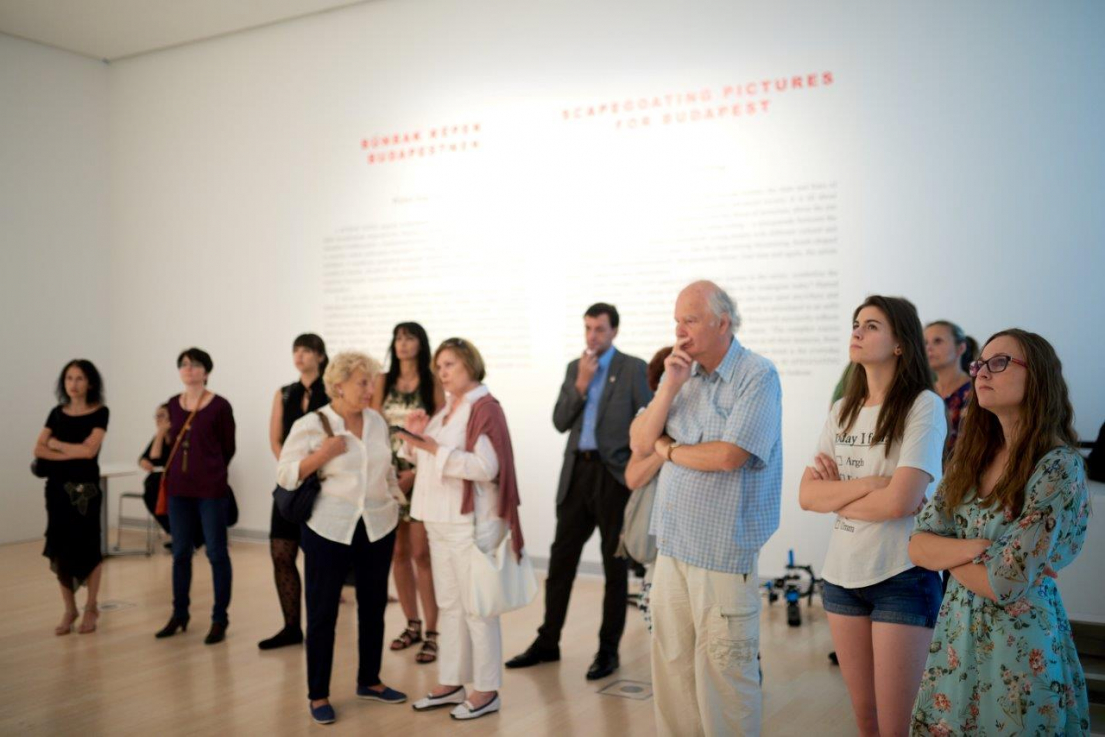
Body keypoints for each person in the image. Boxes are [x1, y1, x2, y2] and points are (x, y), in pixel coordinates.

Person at [909, 330, 1090, 734]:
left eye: (1000, 362)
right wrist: (979, 548)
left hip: (1020, 648)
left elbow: (1003, 583)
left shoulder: (1058, 466)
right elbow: (917, 546)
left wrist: (949, 552)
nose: (982, 373)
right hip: (957, 637)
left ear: (1037, 376)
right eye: (980, 365)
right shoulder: (970, 459)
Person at [630, 281, 783, 737]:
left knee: (726, 681)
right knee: (672, 671)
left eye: (691, 321)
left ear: (723, 322)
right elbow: (641, 443)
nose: (680, 331)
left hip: (722, 553)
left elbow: (729, 455)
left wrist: (671, 450)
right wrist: (669, 386)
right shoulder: (683, 375)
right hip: (673, 548)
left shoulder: (757, 374)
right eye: (677, 321)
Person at [798, 296, 945, 737]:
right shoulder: (842, 408)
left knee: (897, 726)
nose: (857, 332)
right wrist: (871, 484)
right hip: (841, 577)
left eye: (872, 325)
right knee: (866, 719)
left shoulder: (923, 405)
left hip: (902, 576)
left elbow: (900, 503)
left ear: (900, 343)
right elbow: (807, 495)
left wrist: (837, 497)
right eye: (856, 323)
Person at [506, 303, 652, 680]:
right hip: (577, 474)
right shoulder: (576, 368)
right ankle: (547, 641)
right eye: (588, 328)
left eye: (599, 329)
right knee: (561, 562)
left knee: (614, 567)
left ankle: (608, 650)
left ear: (614, 331)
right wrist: (581, 385)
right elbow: (560, 421)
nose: (592, 336)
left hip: (613, 477)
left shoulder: (633, 368)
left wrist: (634, 470)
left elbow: (649, 424)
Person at [276, 351, 407, 725]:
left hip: (377, 525)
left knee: (373, 606)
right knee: (322, 613)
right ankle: (318, 694)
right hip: (329, 527)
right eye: (362, 383)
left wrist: (395, 497)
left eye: (371, 382)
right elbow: (285, 474)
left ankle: (370, 681)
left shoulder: (377, 421)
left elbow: (386, 469)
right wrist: (322, 455)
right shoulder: (312, 424)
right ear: (338, 386)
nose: (369, 390)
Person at [403, 337, 525, 721]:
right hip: (439, 518)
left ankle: (486, 690)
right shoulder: (446, 409)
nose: (442, 372)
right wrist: (414, 439)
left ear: (470, 365)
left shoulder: (484, 408)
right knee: (450, 605)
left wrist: (431, 448)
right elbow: (429, 458)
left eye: (450, 364)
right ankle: (451, 681)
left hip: (471, 523)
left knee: (477, 608)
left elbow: (486, 468)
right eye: (439, 366)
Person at [371, 322, 444, 664]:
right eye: (398, 337)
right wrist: (385, 473)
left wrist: (415, 472)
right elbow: (374, 427)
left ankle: (433, 632)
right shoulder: (382, 381)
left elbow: (441, 430)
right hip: (388, 476)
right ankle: (411, 624)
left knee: (421, 553)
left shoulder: (432, 381)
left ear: (420, 343)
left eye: (409, 337)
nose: (402, 343)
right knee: (397, 552)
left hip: (420, 473)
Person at [154, 347, 236, 645]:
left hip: (210, 490)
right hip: (179, 490)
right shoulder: (172, 405)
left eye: (195, 364)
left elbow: (228, 448)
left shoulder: (220, 406)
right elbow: (166, 445)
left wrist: (211, 471)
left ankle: (219, 618)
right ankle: (179, 613)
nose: (189, 369)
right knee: (179, 554)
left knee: (216, 553)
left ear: (206, 371)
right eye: (184, 364)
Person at [259, 333, 330, 651]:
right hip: (290, 483)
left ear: (320, 355)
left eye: (306, 351)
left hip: (323, 483)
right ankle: (291, 627)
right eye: (296, 351)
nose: (299, 356)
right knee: (281, 553)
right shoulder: (285, 392)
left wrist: (311, 467)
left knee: (318, 559)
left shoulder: (332, 389)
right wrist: (292, 468)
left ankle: (319, 627)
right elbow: (276, 439)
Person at [33, 359, 109, 635]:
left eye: (79, 378)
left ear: (90, 383)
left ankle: (91, 607)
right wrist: (68, 452)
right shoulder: (56, 413)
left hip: (85, 491)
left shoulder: (100, 412)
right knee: (60, 547)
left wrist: (55, 445)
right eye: (69, 378)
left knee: (89, 546)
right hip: (56, 490)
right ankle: (70, 609)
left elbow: (89, 451)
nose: (73, 384)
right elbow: (38, 449)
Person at [622, 345, 673, 632]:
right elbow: (633, 477)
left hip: (692, 543)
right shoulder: (649, 422)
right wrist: (665, 450)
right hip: (659, 547)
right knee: (663, 633)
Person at [925, 320, 978, 466]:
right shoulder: (924, 393)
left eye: (938, 341)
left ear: (960, 348)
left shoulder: (975, 391)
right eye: (925, 342)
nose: (928, 348)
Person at [139, 403, 173, 538]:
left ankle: (180, 534)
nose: (158, 419)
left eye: (162, 415)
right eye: (156, 416)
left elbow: (155, 456)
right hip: (158, 481)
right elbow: (147, 456)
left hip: (174, 480)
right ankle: (175, 532)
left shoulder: (178, 436)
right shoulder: (158, 437)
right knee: (151, 494)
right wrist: (142, 461)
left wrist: (161, 432)